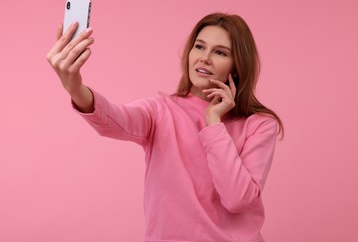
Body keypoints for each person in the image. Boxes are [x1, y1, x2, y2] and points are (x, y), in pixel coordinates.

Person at [47, 12, 284, 242]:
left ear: (237, 66)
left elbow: (237, 199)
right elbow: (114, 118)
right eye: (199, 47)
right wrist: (75, 87)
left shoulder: (260, 125)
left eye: (220, 52)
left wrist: (214, 122)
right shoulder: (161, 110)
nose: (204, 58)